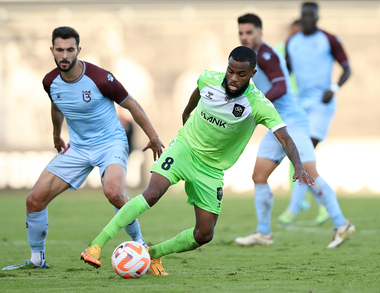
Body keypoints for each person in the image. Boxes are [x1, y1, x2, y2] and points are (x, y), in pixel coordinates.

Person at [80, 46, 315, 275]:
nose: (233, 78)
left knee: (204, 234)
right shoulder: (208, 79)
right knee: (151, 193)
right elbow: (198, 91)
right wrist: (186, 112)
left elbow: (284, 137)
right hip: (184, 149)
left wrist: (298, 165)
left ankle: (152, 254)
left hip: (211, 169)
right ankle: (95, 246)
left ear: (252, 75)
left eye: (241, 74)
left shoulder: (258, 105)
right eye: (230, 71)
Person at [2, 26, 164, 271]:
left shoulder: (100, 78)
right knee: (34, 201)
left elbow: (131, 104)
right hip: (78, 147)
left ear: (79, 50)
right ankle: (37, 260)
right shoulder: (50, 81)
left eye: (70, 50)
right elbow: (56, 105)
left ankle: (140, 245)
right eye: (59, 50)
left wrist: (152, 136)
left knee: (114, 193)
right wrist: (56, 134)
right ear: (52, 51)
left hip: (111, 142)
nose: (64, 55)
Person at [234, 13, 354, 248]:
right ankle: (264, 232)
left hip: (293, 122)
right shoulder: (247, 57)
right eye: (241, 33)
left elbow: (280, 85)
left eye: (249, 32)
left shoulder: (267, 55)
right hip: (276, 123)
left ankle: (342, 224)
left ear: (260, 33)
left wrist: (257, 105)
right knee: (259, 176)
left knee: (309, 174)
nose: (244, 36)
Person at [278, 1, 352, 226]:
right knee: (301, 158)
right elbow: (285, 72)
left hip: (322, 105)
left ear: (317, 17)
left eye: (311, 15)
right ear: (301, 16)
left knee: (302, 153)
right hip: (300, 105)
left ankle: (294, 208)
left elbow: (347, 68)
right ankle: (320, 208)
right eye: (304, 15)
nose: (307, 18)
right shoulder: (293, 42)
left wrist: (334, 88)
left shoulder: (329, 39)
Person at [277, 18, 330, 225]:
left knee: (301, 158)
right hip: (290, 109)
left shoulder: (310, 54)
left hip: (306, 111)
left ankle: (295, 207)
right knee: (298, 159)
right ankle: (314, 204)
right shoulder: (281, 50)